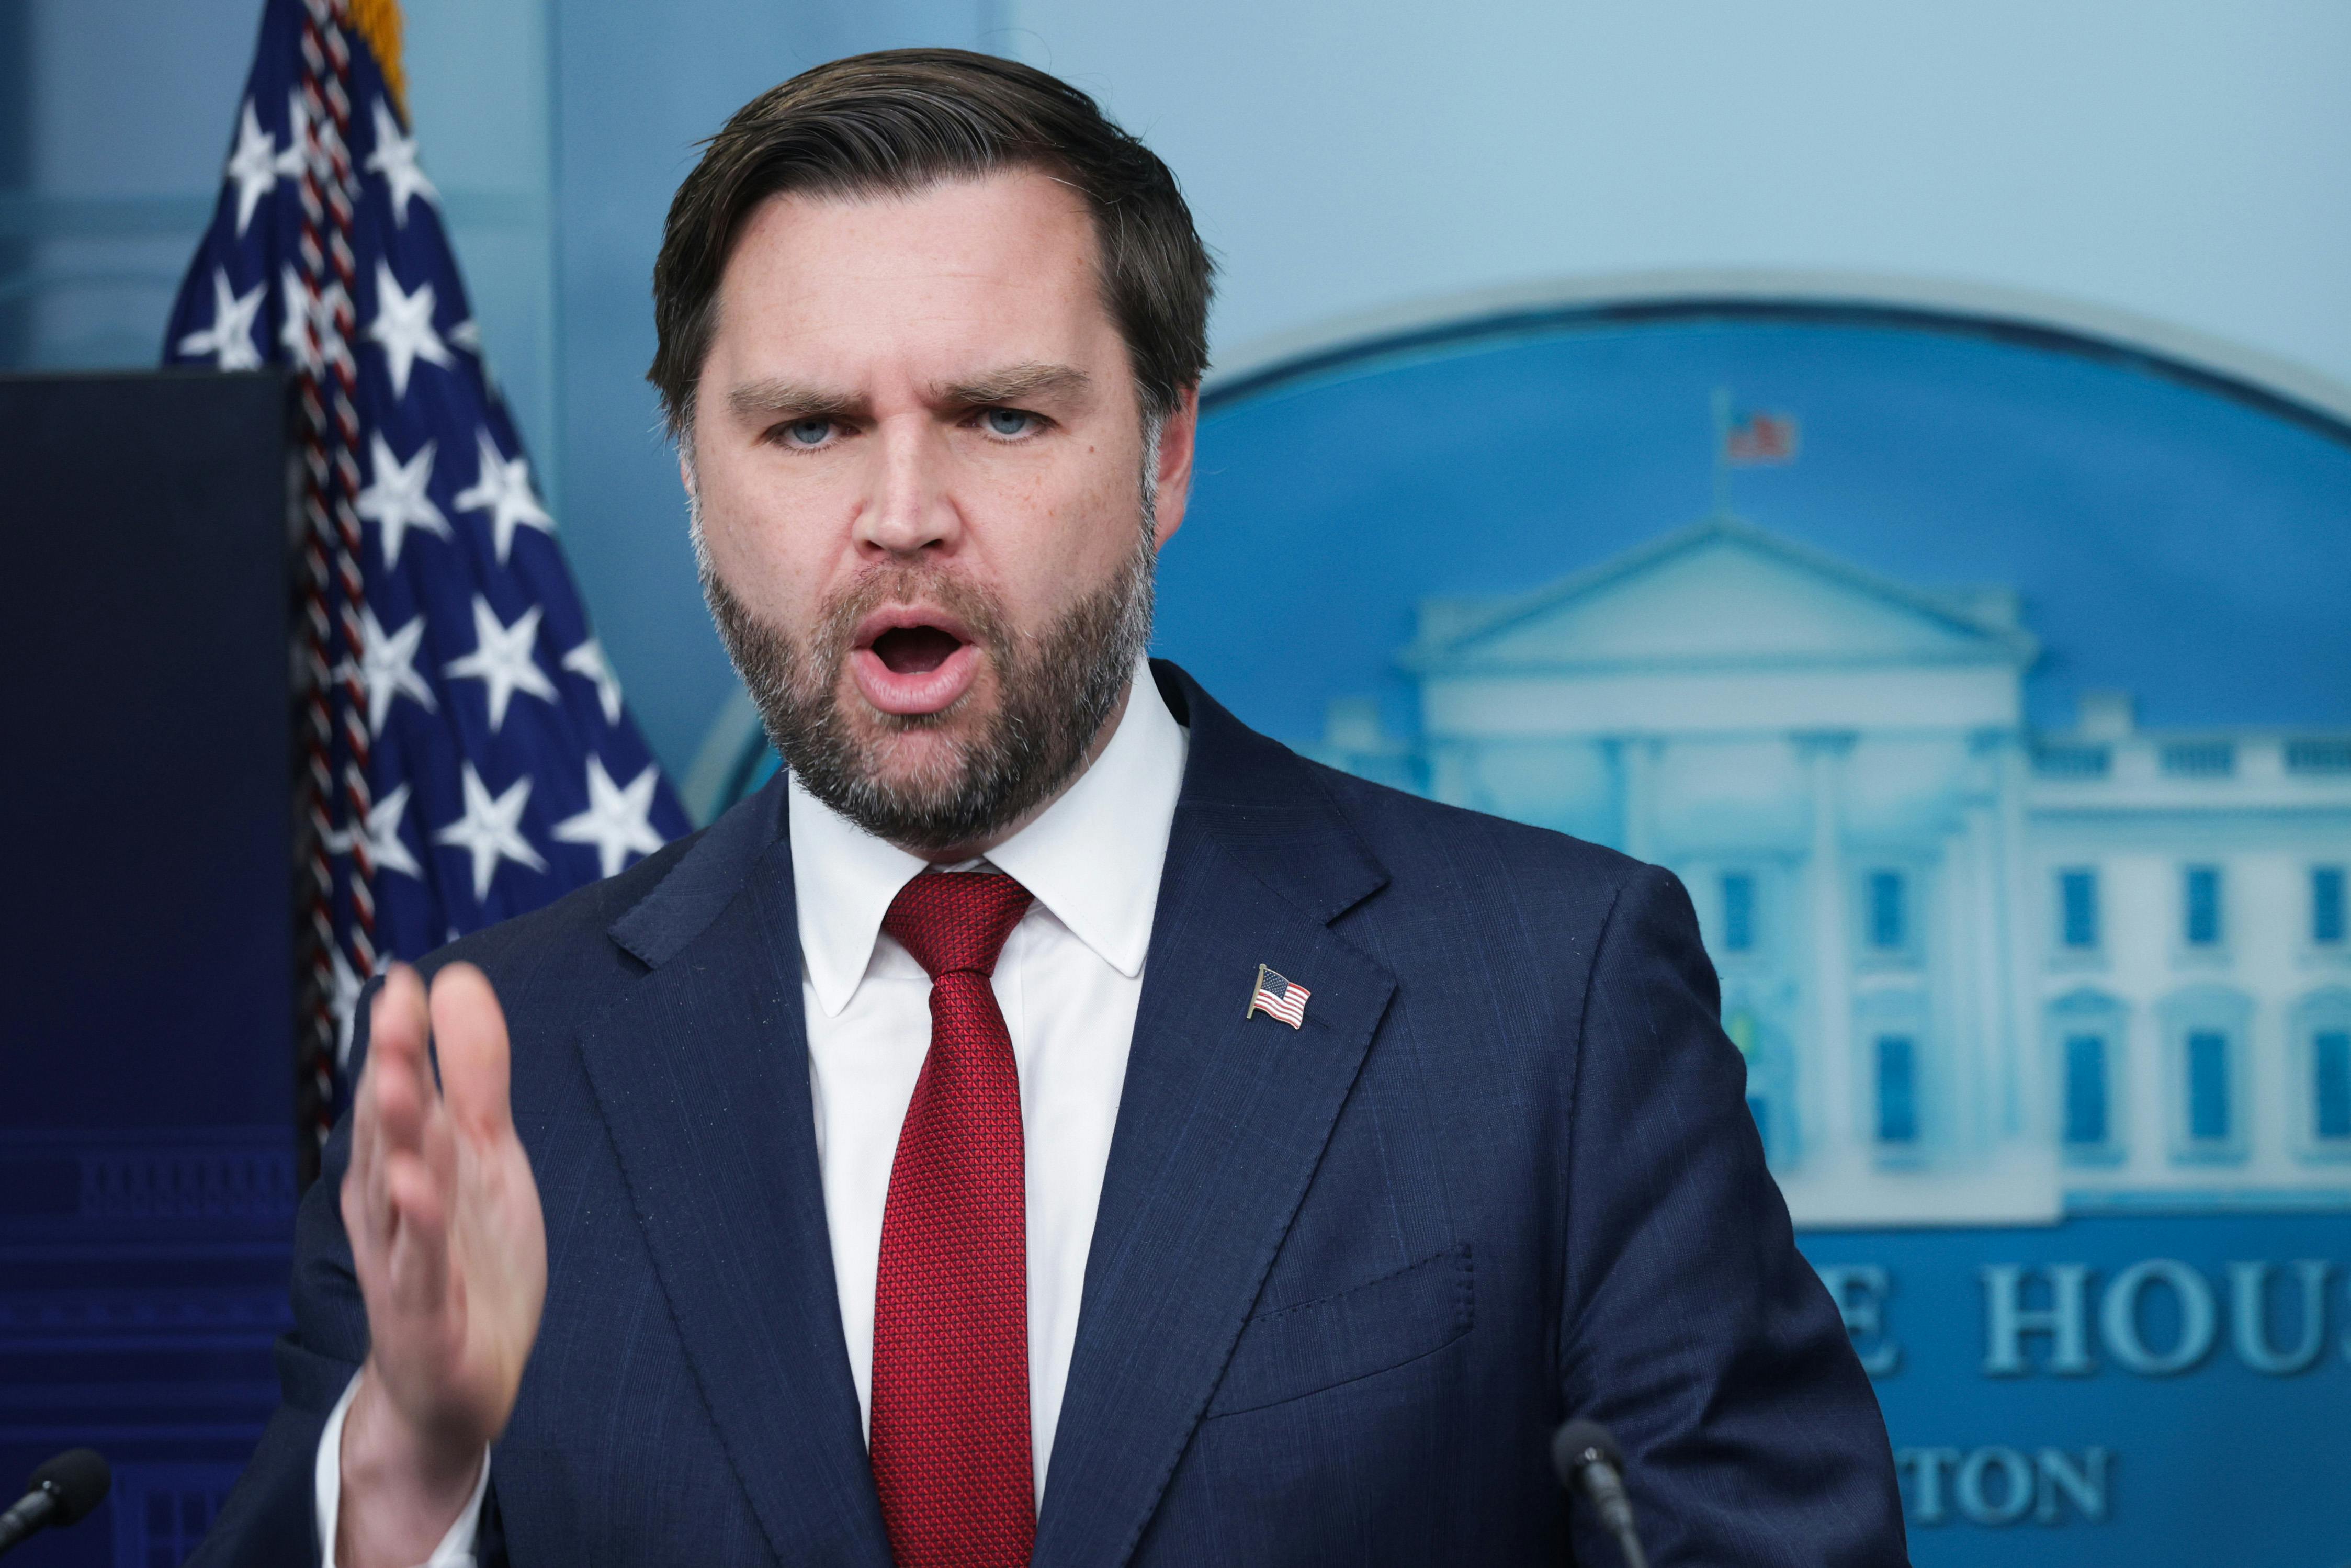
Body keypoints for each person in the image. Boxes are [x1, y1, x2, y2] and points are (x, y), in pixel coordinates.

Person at [193, 49, 1906, 1568]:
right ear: (698, 489)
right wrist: (413, 1477)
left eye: (1002, 416)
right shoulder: (498, 1067)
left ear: (1163, 454)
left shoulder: (1552, 1001)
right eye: (804, 428)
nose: (902, 513)